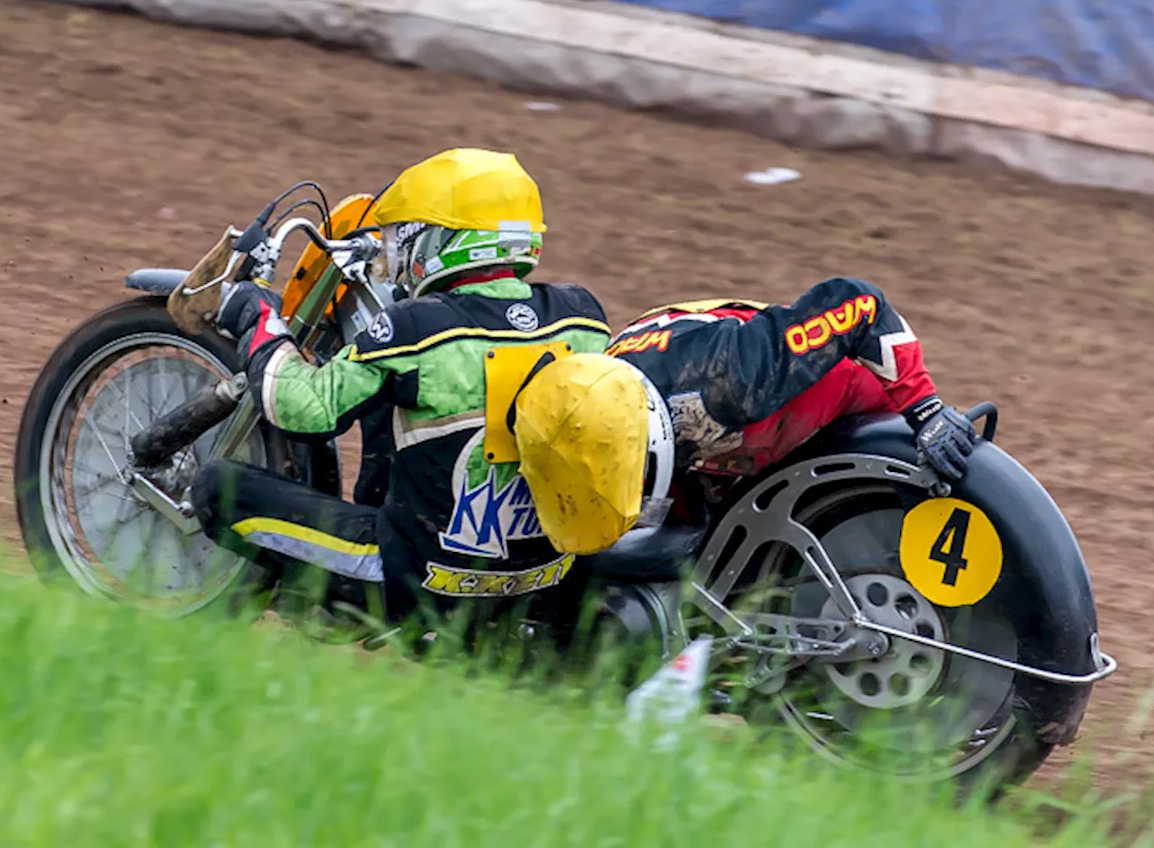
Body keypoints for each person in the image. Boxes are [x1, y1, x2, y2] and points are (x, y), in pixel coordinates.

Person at [189, 148, 622, 627]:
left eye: (404, 238)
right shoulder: (583, 318)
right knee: (395, 407)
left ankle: (337, 604)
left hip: (420, 581)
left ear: (442, 239)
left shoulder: (416, 327)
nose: (396, 255)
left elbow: (303, 410)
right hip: (543, 577)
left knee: (215, 487)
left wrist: (261, 318)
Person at [508, 279, 978, 557]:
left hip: (831, 402)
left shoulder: (731, 378)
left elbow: (858, 304)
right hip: (713, 438)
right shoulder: (588, 403)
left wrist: (927, 412)